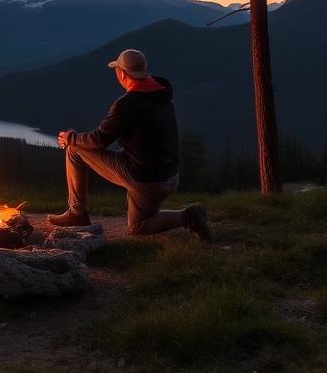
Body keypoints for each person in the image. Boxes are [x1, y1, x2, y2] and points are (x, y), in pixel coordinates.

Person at [47, 48, 212, 242]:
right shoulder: (162, 94)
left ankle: (77, 213)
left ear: (123, 73)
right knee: (140, 222)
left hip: (146, 179)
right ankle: (190, 216)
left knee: (75, 149)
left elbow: (99, 140)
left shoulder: (128, 103)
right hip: (169, 176)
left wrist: (71, 137)